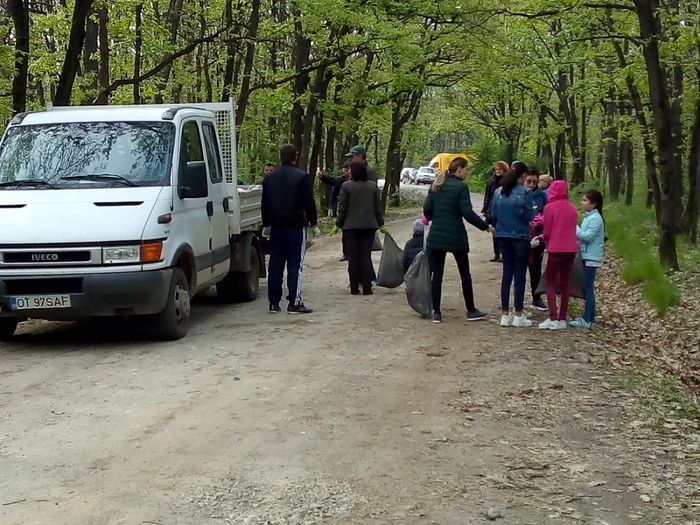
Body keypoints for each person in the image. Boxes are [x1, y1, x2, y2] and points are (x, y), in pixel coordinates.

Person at [423, 157, 491, 324]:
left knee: (436, 274)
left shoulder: (436, 185)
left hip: (436, 235)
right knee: (464, 273)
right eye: (466, 169)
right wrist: (485, 226)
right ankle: (471, 310)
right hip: (456, 236)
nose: (467, 172)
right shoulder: (461, 187)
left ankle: (436, 312)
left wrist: (436, 219)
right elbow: (467, 213)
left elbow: (427, 210)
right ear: (459, 169)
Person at [262, 144, 319, 314]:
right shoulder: (301, 177)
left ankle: (273, 302)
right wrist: (314, 224)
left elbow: (265, 204)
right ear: (296, 156)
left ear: (280, 157)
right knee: (295, 264)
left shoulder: (269, 179)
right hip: (295, 226)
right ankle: (294, 301)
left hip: (276, 226)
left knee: (275, 264)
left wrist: (266, 224)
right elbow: (309, 201)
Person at [330, 162, 385, 295]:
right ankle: (367, 288)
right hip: (369, 227)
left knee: (353, 258)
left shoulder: (346, 186)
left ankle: (354, 288)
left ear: (353, 172)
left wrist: (338, 224)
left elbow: (342, 208)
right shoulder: (372, 187)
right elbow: (378, 208)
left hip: (350, 228)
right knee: (365, 257)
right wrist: (381, 224)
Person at [491, 161, 535, 328]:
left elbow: (494, 215)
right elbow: (529, 216)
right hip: (520, 236)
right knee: (520, 276)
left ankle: (504, 314)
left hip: (503, 235)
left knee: (506, 274)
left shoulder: (498, 192)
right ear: (523, 175)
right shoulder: (525, 193)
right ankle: (518, 314)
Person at [538, 180, 579, 330]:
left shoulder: (549, 208)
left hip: (556, 249)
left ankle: (552, 317)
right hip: (571, 249)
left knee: (550, 281)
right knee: (565, 282)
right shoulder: (573, 208)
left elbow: (548, 232)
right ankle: (562, 318)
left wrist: (542, 237)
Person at [570, 190, 605, 329]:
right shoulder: (589, 217)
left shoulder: (595, 218)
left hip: (591, 257)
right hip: (587, 255)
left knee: (588, 288)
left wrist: (575, 228)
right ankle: (590, 317)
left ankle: (587, 319)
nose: (582, 203)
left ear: (594, 203)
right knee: (587, 287)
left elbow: (587, 236)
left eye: (585, 200)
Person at [524, 168, 548, 311]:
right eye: (529, 181)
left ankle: (536, 297)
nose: (532, 184)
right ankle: (517, 301)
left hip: (537, 237)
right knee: (519, 269)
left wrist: (541, 220)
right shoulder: (518, 193)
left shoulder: (541, 196)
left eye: (535, 182)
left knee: (536, 269)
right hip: (522, 236)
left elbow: (547, 212)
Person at [482, 161, 508, 262]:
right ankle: (496, 253)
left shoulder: (507, 181)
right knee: (494, 232)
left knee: (503, 232)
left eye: (500, 169)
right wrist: (485, 209)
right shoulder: (491, 181)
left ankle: (502, 253)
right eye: (496, 169)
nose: (497, 171)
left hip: (504, 210)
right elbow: (487, 196)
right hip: (492, 209)